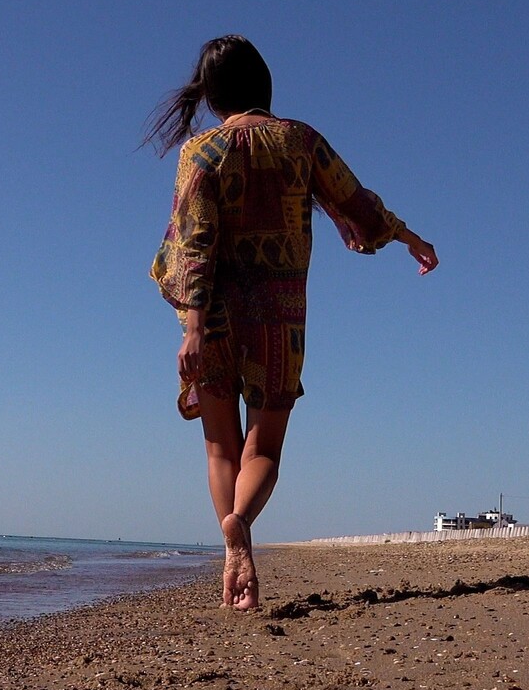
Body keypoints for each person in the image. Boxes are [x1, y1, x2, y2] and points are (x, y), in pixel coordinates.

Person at [148, 36, 437, 611]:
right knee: (264, 451)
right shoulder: (300, 141)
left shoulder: (200, 152)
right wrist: (408, 236)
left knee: (220, 450)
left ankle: (232, 553)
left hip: (214, 318)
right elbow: (357, 202)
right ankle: (241, 522)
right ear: (264, 82)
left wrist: (194, 327)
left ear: (212, 96)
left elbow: (194, 242)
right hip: (279, 319)